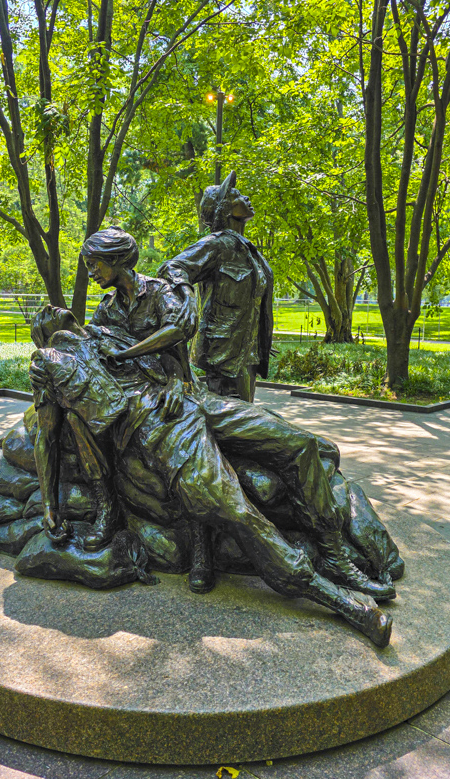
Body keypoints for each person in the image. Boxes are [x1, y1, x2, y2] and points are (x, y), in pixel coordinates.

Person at [29, 226, 397, 648]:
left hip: (194, 397)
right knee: (233, 506)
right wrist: (57, 502)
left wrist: (159, 370)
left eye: (94, 264)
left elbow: (180, 331)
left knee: (298, 444)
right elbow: (70, 420)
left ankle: (334, 551)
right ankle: (340, 601)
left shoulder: (161, 292)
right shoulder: (97, 323)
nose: (89, 273)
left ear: (116, 261)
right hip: (167, 420)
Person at [158, 170, 273, 404]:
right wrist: (187, 295)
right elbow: (172, 268)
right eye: (237, 196)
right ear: (224, 208)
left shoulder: (249, 252)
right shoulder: (217, 245)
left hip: (248, 354)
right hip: (224, 354)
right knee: (233, 425)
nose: (246, 199)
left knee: (244, 421)